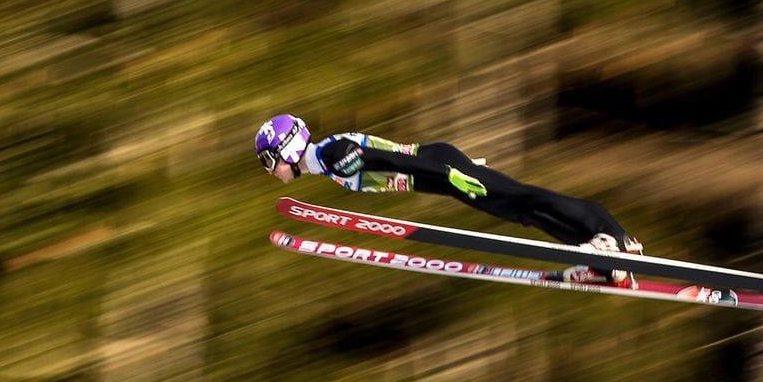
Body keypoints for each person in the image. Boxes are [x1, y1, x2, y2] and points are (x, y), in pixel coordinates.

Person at [255, 113, 643, 284]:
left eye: (269, 160)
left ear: (287, 149)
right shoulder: (326, 162)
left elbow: (394, 161)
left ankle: (610, 236)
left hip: (440, 167)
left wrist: (448, 173)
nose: (270, 170)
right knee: (521, 211)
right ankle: (602, 258)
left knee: (523, 198)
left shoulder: (331, 155)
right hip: (438, 174)